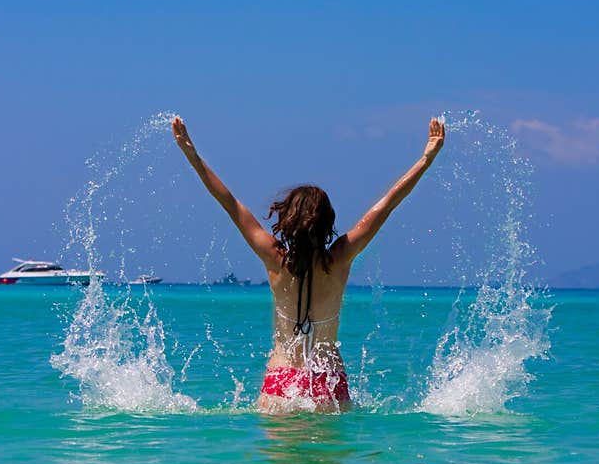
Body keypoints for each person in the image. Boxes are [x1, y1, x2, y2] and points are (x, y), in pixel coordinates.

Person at [172, 115, 445, 413]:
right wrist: (425, 159)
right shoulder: (340, 257)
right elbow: (388, 203)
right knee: (327, 460)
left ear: (286, 219)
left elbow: (230, 203)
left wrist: (192, 155)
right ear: (328, 222)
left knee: (281, 461)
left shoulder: (275, 259)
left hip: (282, 380)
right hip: (328, 382)